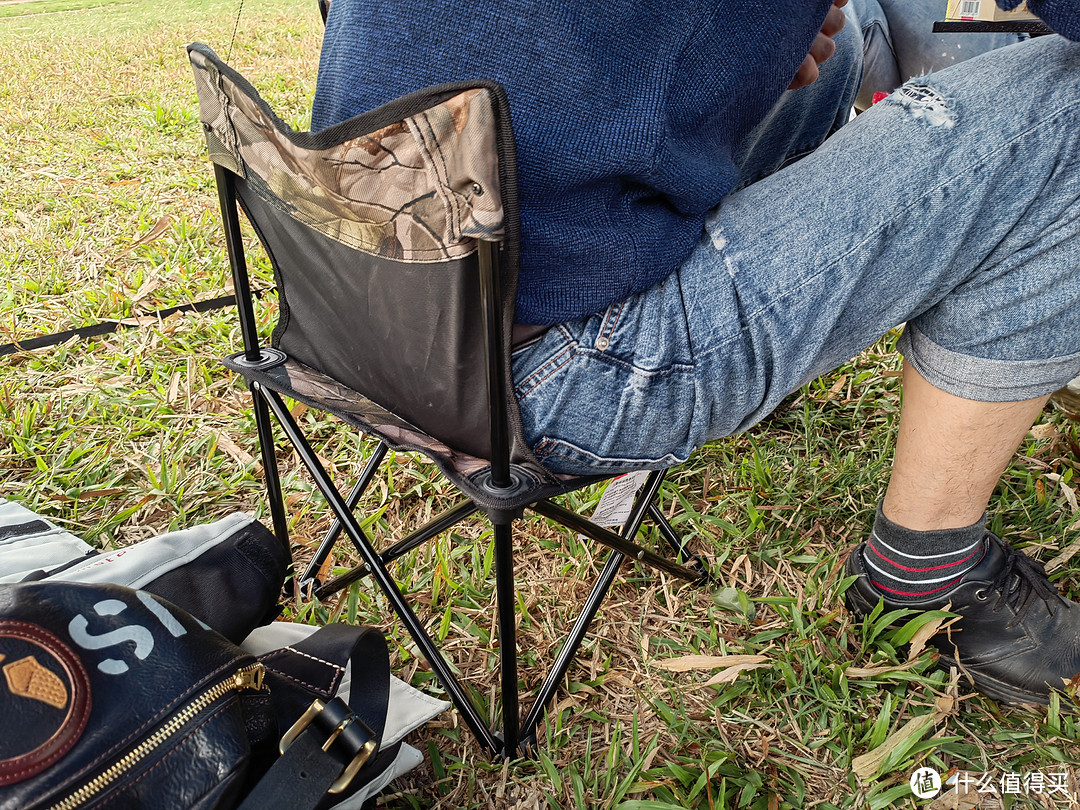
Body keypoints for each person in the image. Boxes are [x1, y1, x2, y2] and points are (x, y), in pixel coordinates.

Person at [311, 0, 1080, 707]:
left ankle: (754, 337)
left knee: (834, 61)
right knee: (1068, 107)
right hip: (543, 386)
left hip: (350, 318)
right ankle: (926, 576)